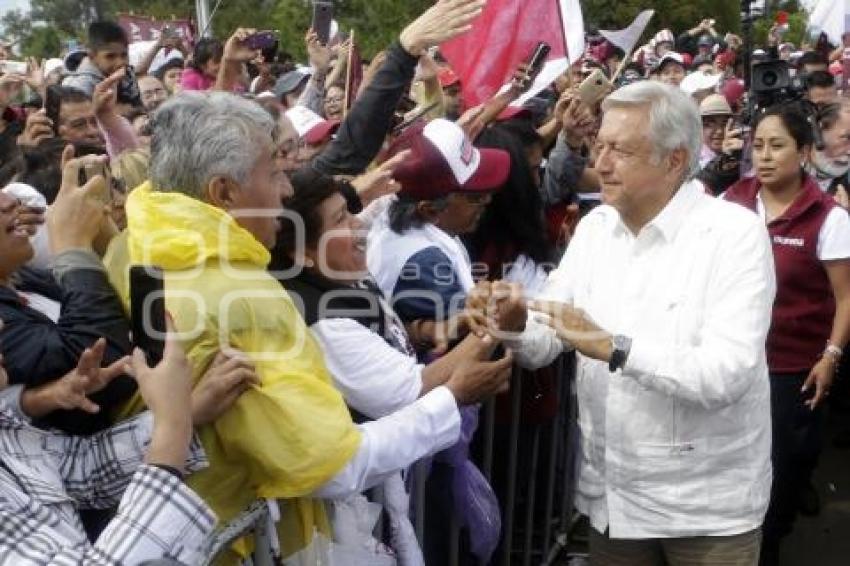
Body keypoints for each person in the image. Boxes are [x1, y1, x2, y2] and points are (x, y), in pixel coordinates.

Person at [104, 3, 488, 561]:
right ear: (223, 193)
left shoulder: (131, 242)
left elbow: (332, 174)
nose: (287, 190)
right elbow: (331, 461)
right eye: (275, 173)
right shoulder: (245, 297)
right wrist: (453, 397)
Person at [481, 82, 775, 565]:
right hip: (613, 500)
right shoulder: (597, 230)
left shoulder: (733, 235)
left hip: (706, 511)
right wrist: (512, 319)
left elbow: (726, 373)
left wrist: (613, 347)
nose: (601, 162)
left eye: (620, 149)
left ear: (674, 160)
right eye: (600, 145)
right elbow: (547, 337)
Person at [272, 168, 512, 562]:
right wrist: (499, 324)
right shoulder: (322, 324)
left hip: (396, 485)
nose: (359, 225)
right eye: (340, 221)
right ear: (302, 253)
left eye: (350, 212)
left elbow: (380, 329)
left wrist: (429, 328)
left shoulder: (338, 275)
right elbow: (416, 388)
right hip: (363, 508)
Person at [723, 104, 850, 566]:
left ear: (804, 152)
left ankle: (769, 545)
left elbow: (846, 297)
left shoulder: (829, 218)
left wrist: (830, 356)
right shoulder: (731, 203)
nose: (765, 156)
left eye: (777, 145)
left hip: (791, 370)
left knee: (783, 468)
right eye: (757, 146)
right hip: (733, 363)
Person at [62, 21, 130, 98]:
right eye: (110, 56)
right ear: (92, 56)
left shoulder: (126, 78)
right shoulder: (80, 88)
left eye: (124, 55)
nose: (120, 63)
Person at [698, 93, 734, 168]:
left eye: (724, 124)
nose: (719, 131)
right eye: (710, 125)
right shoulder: (693, 160)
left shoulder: (739, 154)